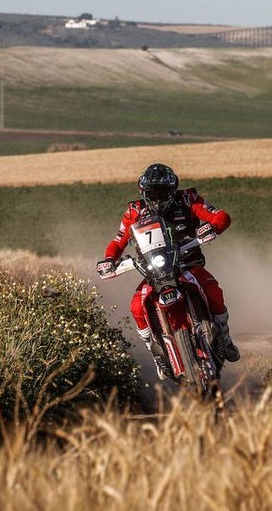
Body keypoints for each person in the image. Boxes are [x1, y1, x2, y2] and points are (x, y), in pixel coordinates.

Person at [96, 162, 240, 380]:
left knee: (212, 291)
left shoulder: (188, 200)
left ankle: (225, 338)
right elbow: (118, 241)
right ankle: (156, 355)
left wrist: (212, 226)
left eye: (162, 191)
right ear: (143, 192)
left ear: (172, 190)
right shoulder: (134, 211)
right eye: (152, 192)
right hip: (153, 271)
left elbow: (221, 216)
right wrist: (109, 260)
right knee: (137, 306)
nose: (157, 197)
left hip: (188, 263)